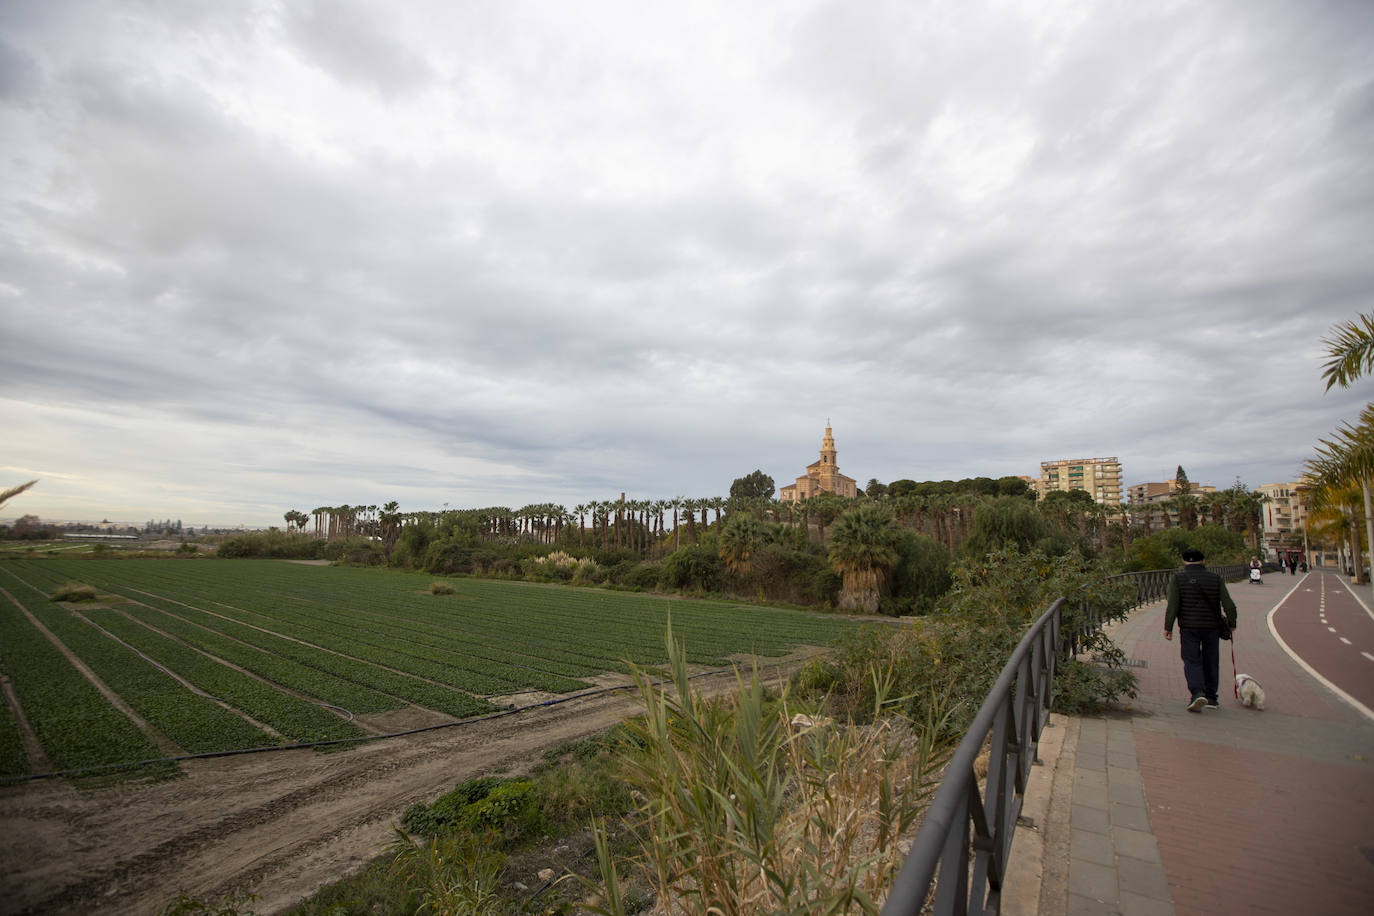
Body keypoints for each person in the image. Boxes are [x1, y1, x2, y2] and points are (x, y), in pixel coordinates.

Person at [1164, 548, 1237, 712]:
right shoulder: (1215, 578)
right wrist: (1232, 623)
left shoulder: (1178, 578)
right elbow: (1229, 605)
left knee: (1191, 659)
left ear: (1183, 562)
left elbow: (1173, 605)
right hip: (1211, 627)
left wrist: (1168, 627)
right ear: (1203, 561)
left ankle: (1197, 693)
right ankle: (1211, 697)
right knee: (1211, 660)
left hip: (1189, 626)